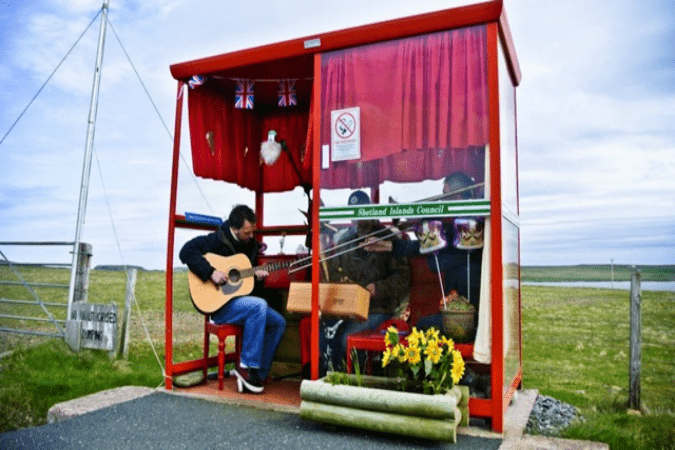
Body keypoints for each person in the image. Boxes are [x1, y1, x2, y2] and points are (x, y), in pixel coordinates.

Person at [179, 204, 286, 394]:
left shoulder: (250, 246)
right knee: (258, 306)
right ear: (235, 229)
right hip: (220, 307)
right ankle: (245, 368)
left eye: (252, 231)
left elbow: (244, 284)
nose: (251, 236)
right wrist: (210, 272)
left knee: (278, 322)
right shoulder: (216, 240)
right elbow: (186, 251)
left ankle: (258, 375)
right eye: (247, 232)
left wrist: (257, 277)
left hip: (242, 303)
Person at [366, 172, 483, 338]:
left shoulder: (470, 228)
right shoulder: (464, 223)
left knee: (421, 328)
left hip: (468, 321)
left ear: (457, 196)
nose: (443, 200)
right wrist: (392, 244)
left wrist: (396, 243)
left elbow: (438, 254)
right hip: (458, 312)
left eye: (446, 196)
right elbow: (436, 241)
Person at [319, 191, 410, 374]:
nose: (357, 219)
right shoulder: (345, 241)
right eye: (353, 213)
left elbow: (403, 278)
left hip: (379, 308)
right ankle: (327, 377)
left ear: (369, 211)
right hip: (349, 307)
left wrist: (377, 288)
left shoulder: (387, 238)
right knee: (323, 330)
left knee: (347, 338)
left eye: (361, 212)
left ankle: (352, 383)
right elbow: (335, 275)